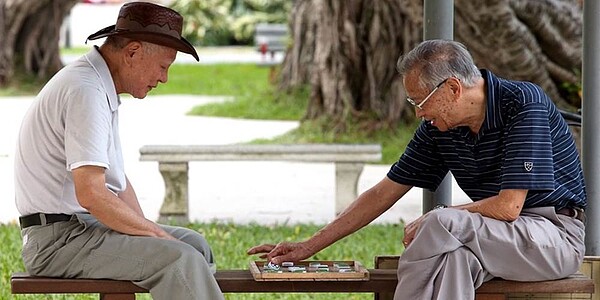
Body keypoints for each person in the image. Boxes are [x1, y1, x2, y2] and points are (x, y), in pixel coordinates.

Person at [247, 39, 587, 299]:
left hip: (552, 237)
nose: (417, 113)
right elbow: (383, 192)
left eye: (419, 102)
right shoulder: (440, 127)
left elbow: (508, 207)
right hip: (489, 240)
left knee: (442, 222)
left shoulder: (523, 104)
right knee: (454, 261)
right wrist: (308, 247)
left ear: (453, 89)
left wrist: (436, 217)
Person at [14, 2, 224, 299]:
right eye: (164, 66)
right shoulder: (85, 91)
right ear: (133, 52)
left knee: (193, 244)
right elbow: (92, 195)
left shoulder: (97, 85)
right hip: (56, 242)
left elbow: (117, 182)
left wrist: (152, 233)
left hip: (80, 229)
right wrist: (157, 238)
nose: (164, 78)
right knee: (180, 258)